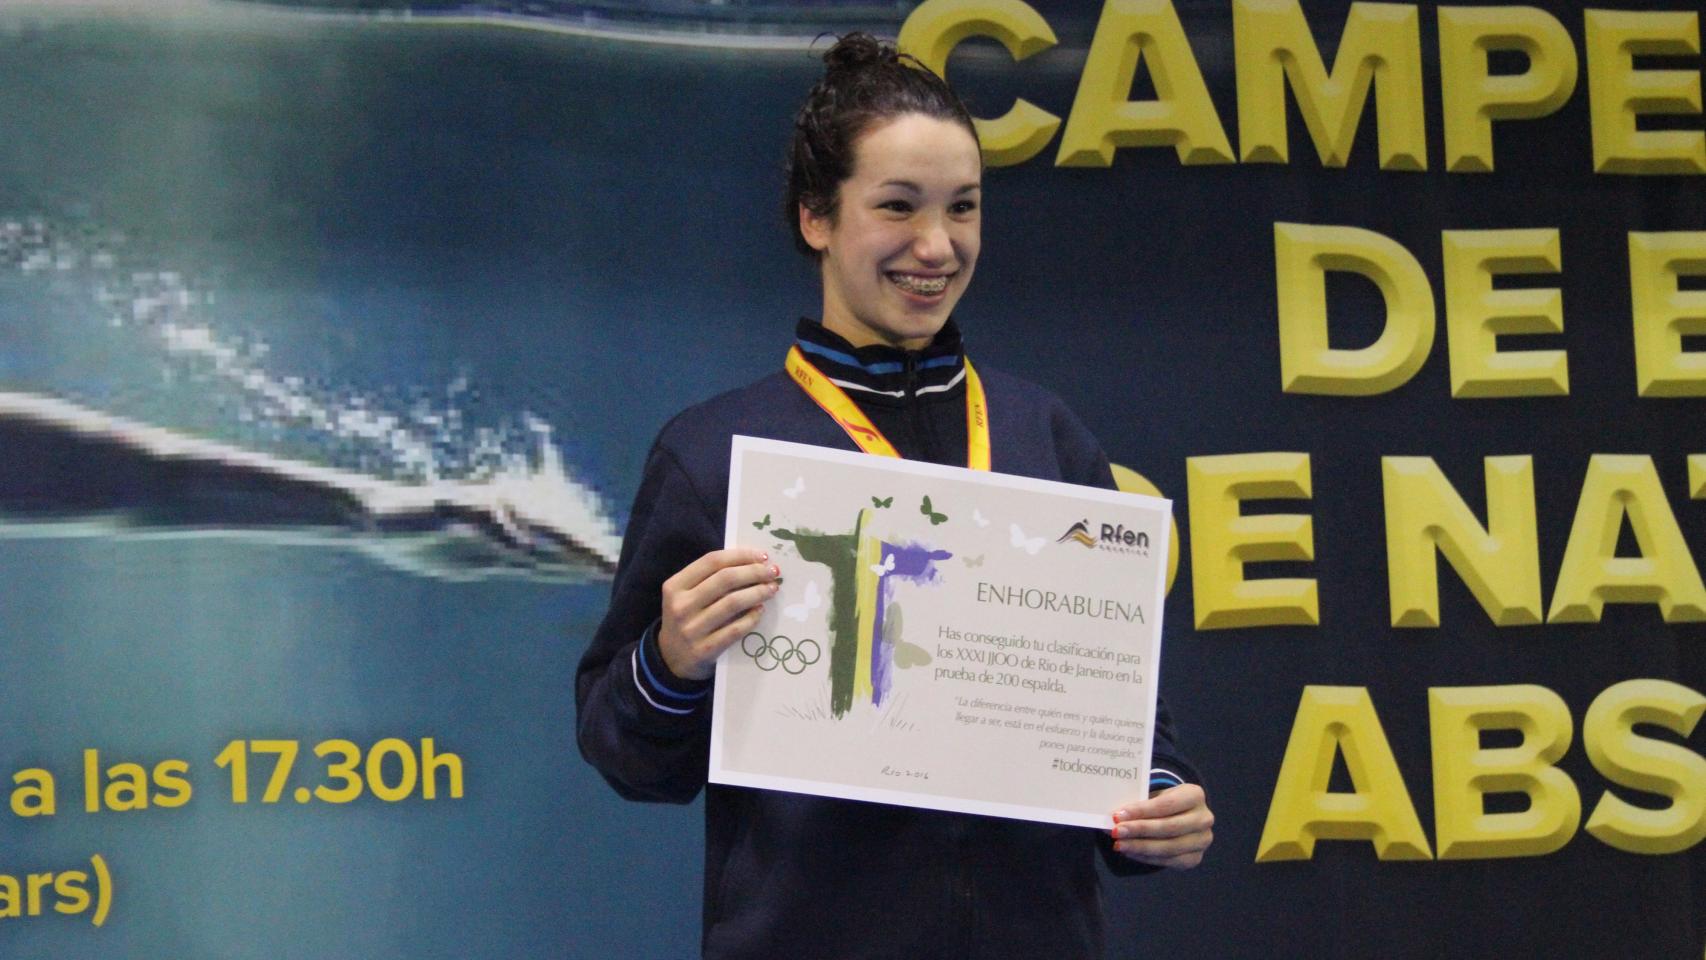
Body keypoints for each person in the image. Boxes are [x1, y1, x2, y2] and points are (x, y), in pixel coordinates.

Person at [575, 33, 1212, 960]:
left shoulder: (1046, 435)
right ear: (815, 218)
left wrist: (1160, 802)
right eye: (898, 207)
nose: (937, 245)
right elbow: (625, 754)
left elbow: (1120, 722)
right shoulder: (714, 454)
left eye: (964, 208)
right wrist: (671, 661)